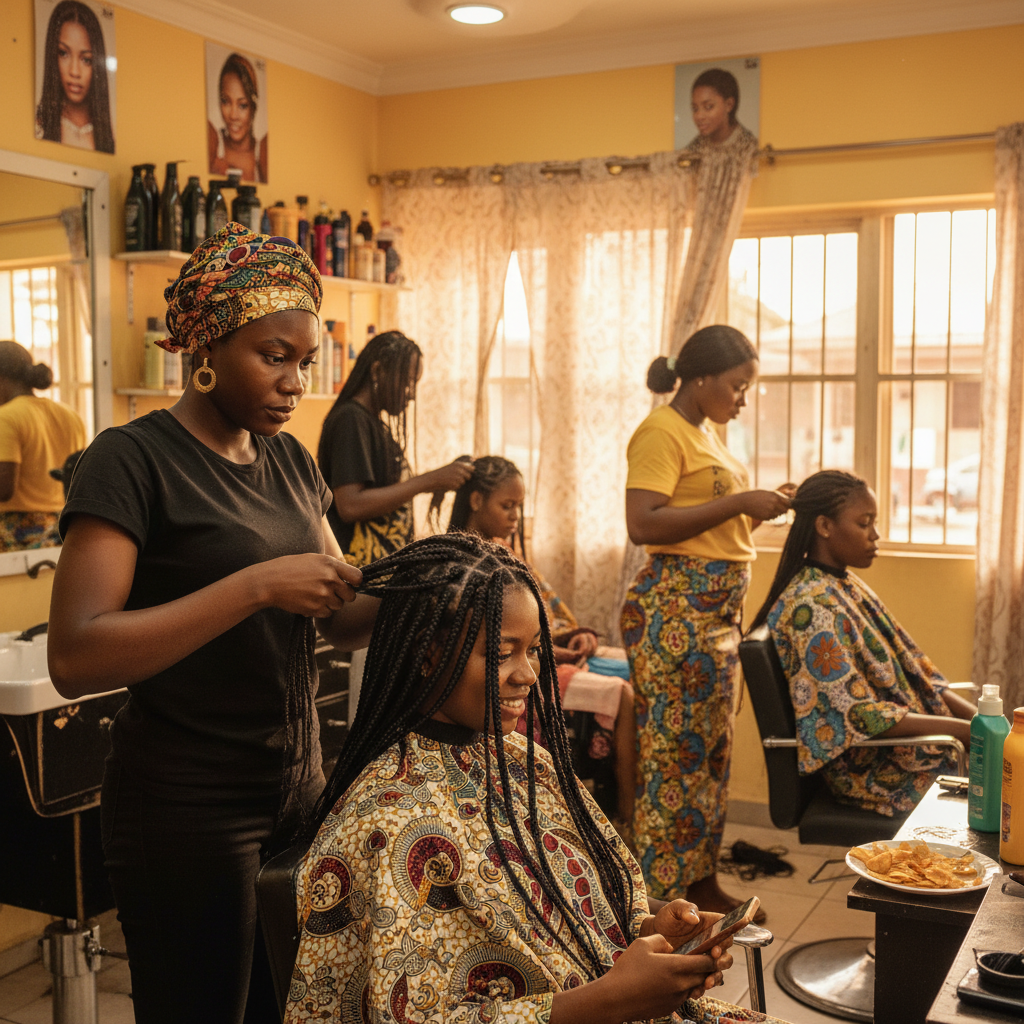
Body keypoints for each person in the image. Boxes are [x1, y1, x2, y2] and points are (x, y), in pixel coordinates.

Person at [47, 224, 378, 1024]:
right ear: (206, 342)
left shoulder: (292, 461)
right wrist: (256, 587)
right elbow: (77, 654)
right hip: (186, 808)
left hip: (297, 791)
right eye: (274, 356)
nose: (296, 382)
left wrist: (444, 582)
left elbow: (344, 614)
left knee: (285, 1010)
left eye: (305, 361)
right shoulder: (131, 460)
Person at [286, 533, 777, 1024]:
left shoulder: (525, 761)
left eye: (535, 650)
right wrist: (609, 999)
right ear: (430, 654)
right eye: (502, 654)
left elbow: (573, 912)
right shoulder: (389, 822)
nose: (528, 674)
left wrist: (654, 929)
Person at [622, 325, 791, 917]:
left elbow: (707, 519)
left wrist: (758, 508)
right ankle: (656, 902)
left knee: (709, 756)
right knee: (673, 759)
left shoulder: (705, 435)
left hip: (716, 617)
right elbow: (644, 523)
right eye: (738, 385)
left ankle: (700, 885)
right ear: (700, 378)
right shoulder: (660, 432)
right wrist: (742, 502)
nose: (743, 398)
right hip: (676, 616)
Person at [748, 470, 977, 817]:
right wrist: (962, 731)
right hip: (876, 771)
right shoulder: (811, 607)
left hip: (913, 752)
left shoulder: (842, 584)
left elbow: (916, 669)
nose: (876, 535)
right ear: (825, 526)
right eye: (864, 523)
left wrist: (981, 722)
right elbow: (855, 714)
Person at [447, 455, 638, 833]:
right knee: (624, 695)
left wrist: (574, 634)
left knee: (634, 669)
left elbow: (544, 614)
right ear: (475, 501)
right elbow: (490, 642)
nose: (516, 515)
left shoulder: (508, 553)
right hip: (528, 666)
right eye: (507, 505)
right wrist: (541, 651)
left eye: (520, 506)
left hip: (546, 654)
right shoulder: (459, 562)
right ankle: (626, 823)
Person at [0, 341, 85, 552]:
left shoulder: (6, 418)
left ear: (1, 381)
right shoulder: (71, 417)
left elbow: (4, 489)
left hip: (16, 535)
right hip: (63, 531)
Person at [35, 0, 116, 153]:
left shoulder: (109, 139)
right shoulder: (39, 127)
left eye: (86, 59)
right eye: (63, 53)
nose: (74, 71)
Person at [207, 52, 268, 183]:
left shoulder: (262, 152)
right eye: (226, 101)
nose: (233, 115)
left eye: (242, 105)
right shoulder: (213, 142)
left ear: (253, 106)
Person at [686, 68, 756, 151]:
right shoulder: (694, 148)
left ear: (729, 105)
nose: (699, 116)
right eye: (695, 109)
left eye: (708, 107)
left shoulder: (750, 148)